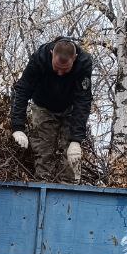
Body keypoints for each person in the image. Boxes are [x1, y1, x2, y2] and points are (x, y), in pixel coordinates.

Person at [10, 36, 92, 182]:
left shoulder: (83, 64)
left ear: (75, 58)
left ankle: (69, 190)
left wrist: (76, 140)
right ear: (51, 53)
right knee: (43, 151)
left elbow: (83, 100)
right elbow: (22, 90)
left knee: (71, 157)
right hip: (43, 106)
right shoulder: (39, 58)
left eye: (65, 70)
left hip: (70, 108)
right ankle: (43, 186)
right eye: (56, 68)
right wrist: (17, 127)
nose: (60, 73)